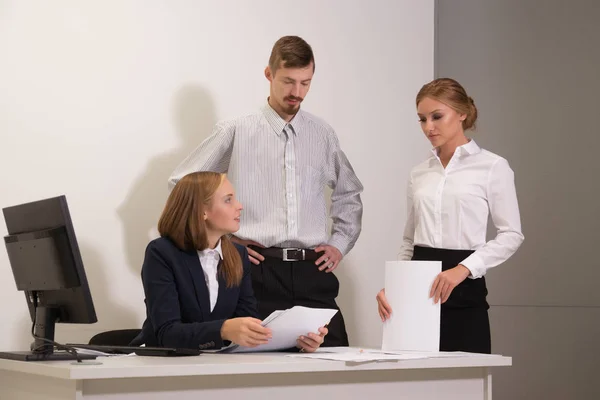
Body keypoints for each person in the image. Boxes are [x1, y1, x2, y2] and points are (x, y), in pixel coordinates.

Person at [168, 36, 363, 347]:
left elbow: (349, 194)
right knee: (256, 367)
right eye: (288, 81)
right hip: (254, 272)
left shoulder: (322, 133)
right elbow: (182, 184)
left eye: (305, 83)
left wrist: (339, 243)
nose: (296, 92)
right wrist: (226, 240)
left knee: (334, 360)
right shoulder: (236, 129)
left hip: (312, 271)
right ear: (269, 74)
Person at [376, 78, 524, 354]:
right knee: (413, 390)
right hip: (415, 291)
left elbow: (511, 235)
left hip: (464, 288)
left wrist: (463, 269)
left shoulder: (492, 167)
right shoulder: (419, 172)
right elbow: (409, 240)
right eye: (422, 119)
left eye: (437, 116)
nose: (428, 127)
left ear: (462, 113)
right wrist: (393, 286)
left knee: (466, 387)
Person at [133, 171, 327, 352]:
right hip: (166, 369)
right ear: (202, 212)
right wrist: (223, 329)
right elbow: (167, 333)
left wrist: (298, 341)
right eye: (228, 200)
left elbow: (248, 324)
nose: (239, 206)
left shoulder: (238, 254)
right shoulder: (162, 253)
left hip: (219, 367)